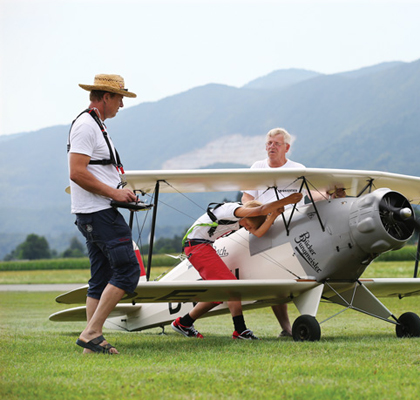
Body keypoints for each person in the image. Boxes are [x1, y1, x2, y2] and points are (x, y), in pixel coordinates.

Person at [68, 74, 140, 354]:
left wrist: (119, 190)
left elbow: (94, 169)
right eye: (120, 98)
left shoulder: (95, 125)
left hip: (92, 213)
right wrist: (115, 193)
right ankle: (92, 333)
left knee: (100, 278)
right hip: (99, 213)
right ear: (106, 97)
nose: (122, 104)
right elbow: (76, 172)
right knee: (128, 270)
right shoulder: (87, 126)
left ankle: (91, 345)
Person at [171, 193, 303, 340]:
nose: (247, 229)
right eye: (249, 225)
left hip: (202, 245)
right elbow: (260, 210)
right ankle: (240, 331)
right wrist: (286, 201)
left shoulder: (243, 218)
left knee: (219, 294)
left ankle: (184, 323)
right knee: (231, 286)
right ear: (248, 215)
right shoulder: (234, 210)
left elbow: (257, 232)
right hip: (196, 245)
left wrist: (273, 216)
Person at [241, 128, 324, 337]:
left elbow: (312, 194)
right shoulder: (257, 167)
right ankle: (287, 329)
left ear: (286, 147)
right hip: (267, 230)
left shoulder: (298, 169)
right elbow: (246, 199)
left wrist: (331, 194)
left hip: (294, 229)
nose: (271, 147)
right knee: (273, 278)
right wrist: (253, 216)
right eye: (269, 143)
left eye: (276, 144)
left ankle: (300, 322)